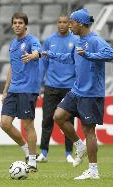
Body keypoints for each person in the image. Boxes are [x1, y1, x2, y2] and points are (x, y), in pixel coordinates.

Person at [43, 8, 113, 179]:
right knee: (58, 116)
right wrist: (49, 54)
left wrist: (89, 55)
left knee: (89, 131)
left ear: (80, 24)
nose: (69, 26)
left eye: (72, 23)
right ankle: (78, 145)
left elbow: (111, 54)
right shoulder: (78, 41)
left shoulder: (95, 40)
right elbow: (69, 58)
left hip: (90, 93)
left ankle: (93, 170)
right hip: (76, 90)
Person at [0, 12, 42, 172]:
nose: (17, 25)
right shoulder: (13, 43)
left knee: (27, 125)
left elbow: (38, 52)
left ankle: (32, 161)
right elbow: (12, 66)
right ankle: (26, 151)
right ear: (12, 25)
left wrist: (32, 56)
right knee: (4, 123)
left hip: (28, 89)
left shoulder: (32, 41)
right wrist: (5, 90)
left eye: (20, 23)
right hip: (13, 89)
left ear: (25, 25)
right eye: (15, 22)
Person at [37, 15, 78, 164]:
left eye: (65, 22)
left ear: (69, 24)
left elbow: (77, 63)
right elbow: (43, 64)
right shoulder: (49, 40)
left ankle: (68, 153)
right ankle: (43, 153)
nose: (61, 24)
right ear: (57, 23)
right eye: (59, 22)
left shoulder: (75, 40)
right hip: (51, 86)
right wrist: (39, 83)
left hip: (69, 87)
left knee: (68, 120)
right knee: (47, 119)